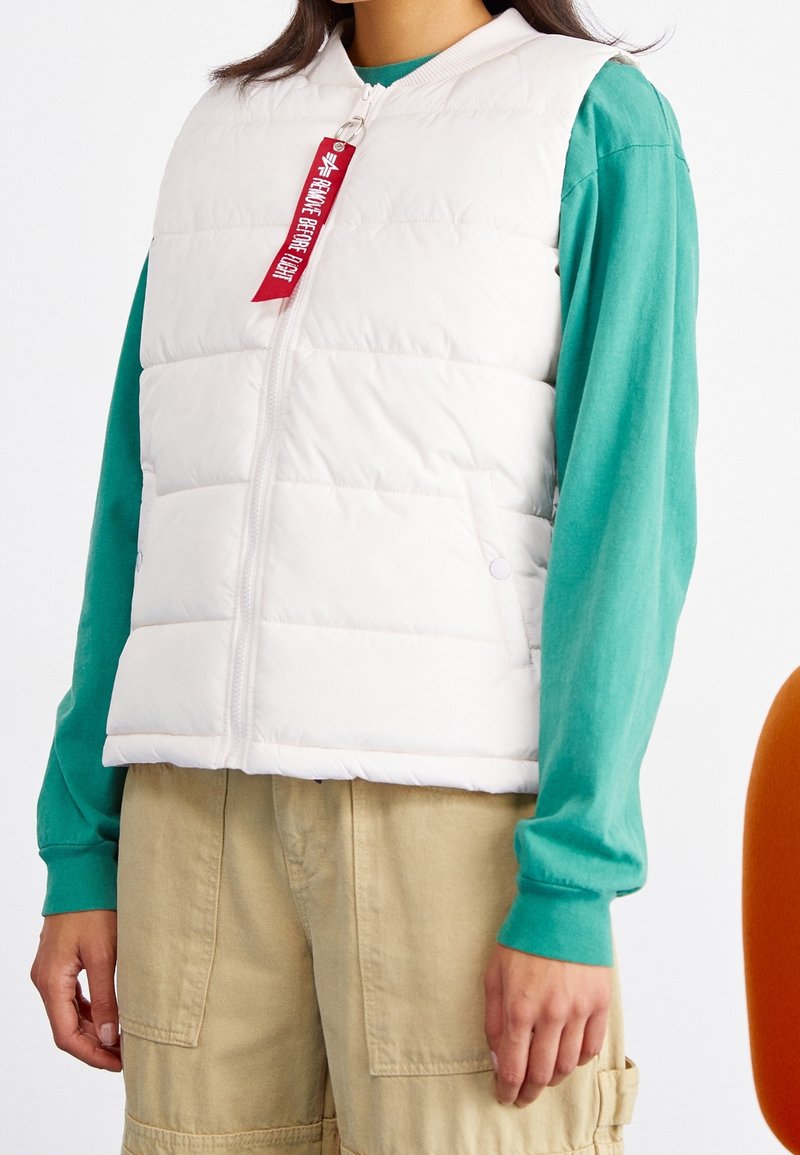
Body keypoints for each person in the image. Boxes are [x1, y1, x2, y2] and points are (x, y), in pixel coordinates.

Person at [30, 2, 699, 1152]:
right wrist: (80, 846)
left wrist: (573, 877)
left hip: (445, 821)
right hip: (193, 821)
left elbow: (626, 514)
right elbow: (138, 503)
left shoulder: (589, 118)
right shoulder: (221, 130)